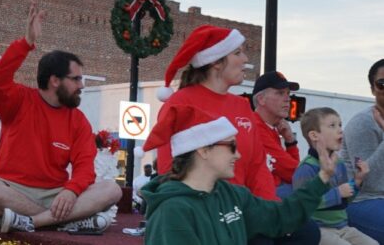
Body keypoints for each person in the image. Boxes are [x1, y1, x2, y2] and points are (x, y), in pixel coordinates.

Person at [0, 2, 122, 234]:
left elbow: (85, 168)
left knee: (112, 189)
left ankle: (34, 223)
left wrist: (71, 191)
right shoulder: (19, 100)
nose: (82, 85)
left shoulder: (78, 120)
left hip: (56, 195)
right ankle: (65, 222)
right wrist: (26, 43)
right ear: (55, 80)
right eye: (76, 79)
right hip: (12, 191)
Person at [142, 104, 336, 245]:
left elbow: (281, 216)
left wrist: (322, 178)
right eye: (231, 146)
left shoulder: (232, 194)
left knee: (307, 232)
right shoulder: (172, 211)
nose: (238, 154)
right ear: (203, 150)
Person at [143, 25, 277, 200]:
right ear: (216, 62)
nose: (245, 59)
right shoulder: (181, 103)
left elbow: (257, 167)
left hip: (241, 213)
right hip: (201, 214)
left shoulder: (242, 106)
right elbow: (169, 170)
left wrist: (270, 211)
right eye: (237, 53)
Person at [293, 107, 377, 245]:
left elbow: (345, 201)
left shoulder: (340, 165)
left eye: (340, 125)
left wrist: (357, 181)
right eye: (332, 126)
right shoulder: (306, 168)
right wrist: (337, 193)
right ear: (314, 135)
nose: (340, 130)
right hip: (318, 229)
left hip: (342, 227)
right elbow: (302, 204)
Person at [341, 58, 384, 244]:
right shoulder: (363, 123)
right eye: (382, 84)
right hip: (362, 200)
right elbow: (369, 182)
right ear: (373, 89)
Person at [252, 71, 301, 198]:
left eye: (288, 93)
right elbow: (296, 175)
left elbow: (295, 175)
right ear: (261, 99)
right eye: (280, 93)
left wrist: (290, 141)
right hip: (261, 200)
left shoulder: (271, 128)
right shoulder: (255, 127)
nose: (287, 99)